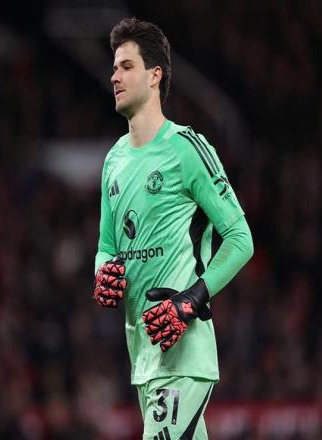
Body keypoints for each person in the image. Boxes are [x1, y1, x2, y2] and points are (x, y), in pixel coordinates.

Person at [93, 17, 254, 439]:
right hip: (143, 356)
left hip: (183, 355)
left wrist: (192, 299)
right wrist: (103, 272)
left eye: (127, 66)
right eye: (114, 68)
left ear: (155, 75)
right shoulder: (113, 162)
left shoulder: (187, 149)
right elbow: (106, 246)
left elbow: (241, 239)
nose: (114, 76)